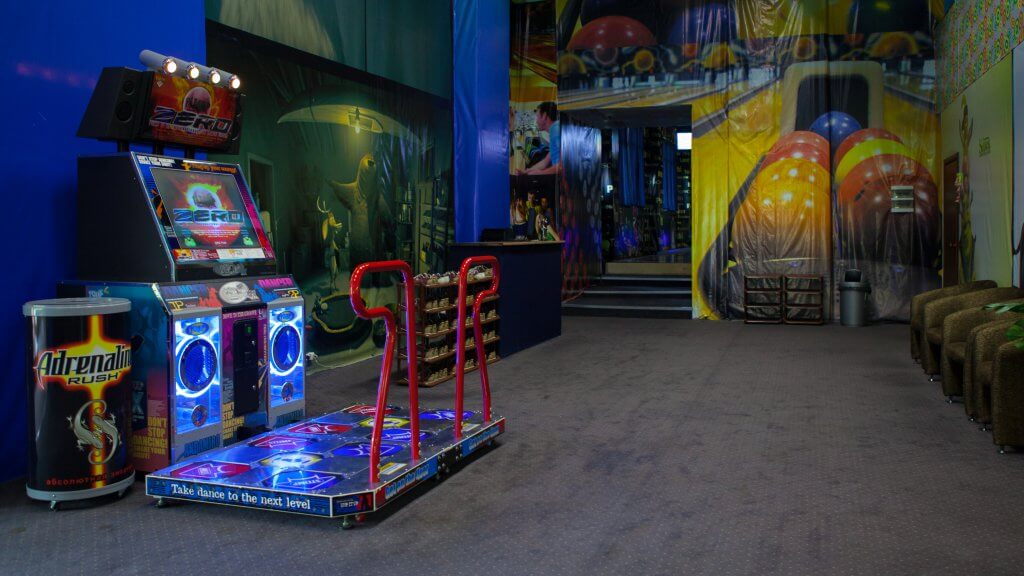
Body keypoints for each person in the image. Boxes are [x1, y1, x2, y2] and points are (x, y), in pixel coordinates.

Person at [517, 102, 560, 175]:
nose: (536, 121)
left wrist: (541, 173)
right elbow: (545, 162)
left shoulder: (555, 129)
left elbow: (564, 165)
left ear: (544, 116)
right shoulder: (556, 128)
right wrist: (526, 172)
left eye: (537, 117)